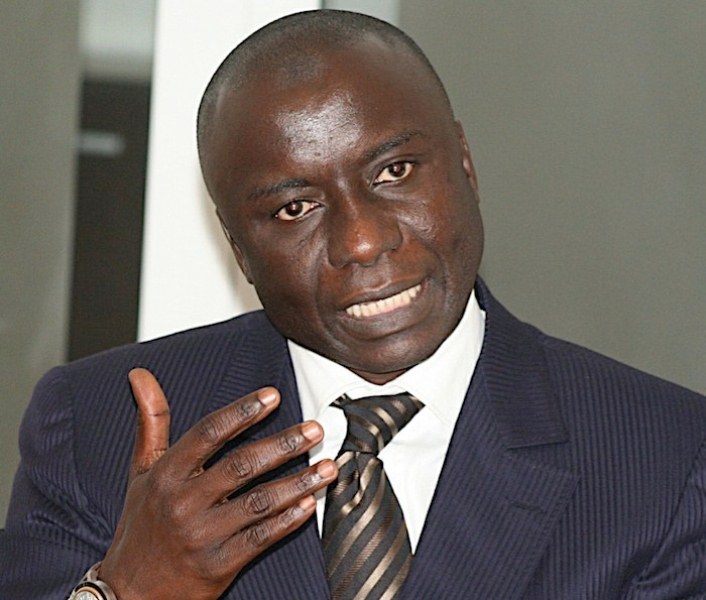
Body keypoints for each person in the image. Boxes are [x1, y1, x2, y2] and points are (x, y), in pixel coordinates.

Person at [1, 9, 705, 600]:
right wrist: (124, 592)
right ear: (238, 247)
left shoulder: (663, 458)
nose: (363, 241)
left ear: (464, 164)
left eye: (394, 171)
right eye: (295, 207)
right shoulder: (93, 428)